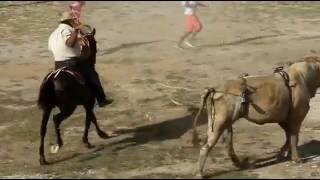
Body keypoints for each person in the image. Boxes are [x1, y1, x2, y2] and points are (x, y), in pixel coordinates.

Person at [48, 11, 113, 107]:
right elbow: (69, 44)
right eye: (74, 19)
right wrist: (75, 31)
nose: (75, 21)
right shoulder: (68, 30)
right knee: (92, 75)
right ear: (70, 21)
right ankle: (101, 100)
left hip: (58, 64)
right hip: (71, 62)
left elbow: (51, 49)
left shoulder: (53, 34)